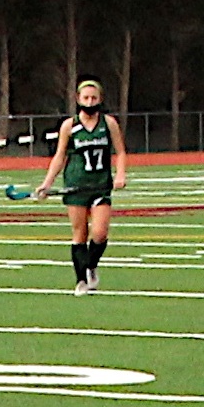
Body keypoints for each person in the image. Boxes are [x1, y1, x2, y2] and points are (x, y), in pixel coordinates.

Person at [31, 76, 128, 293]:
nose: (90, 101)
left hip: (100, 185)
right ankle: (81, 280)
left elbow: (120, 151)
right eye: (86, 97)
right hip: (75, 184)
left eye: (94, 98)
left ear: (100, 99)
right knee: (79, 234)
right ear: (78, 98)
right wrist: (47, 183)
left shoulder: (109, 123)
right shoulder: (69, 126)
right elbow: (59, 156)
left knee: (100, 233)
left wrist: (120, 174)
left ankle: (91, 266)